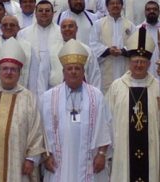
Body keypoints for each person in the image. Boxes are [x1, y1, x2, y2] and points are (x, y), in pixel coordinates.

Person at [0, 37, 46, 181]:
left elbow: (36, 131)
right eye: (5, 69)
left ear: (20, 73)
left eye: (13, 69)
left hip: (18, 165)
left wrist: (31, 159)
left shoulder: (28, 98)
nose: (9, 73)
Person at [40, 39, 112, 181]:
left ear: (83, 71)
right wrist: (45, 156)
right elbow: (40, 130)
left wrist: (102, 154)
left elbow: (106, 125)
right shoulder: (48, 98)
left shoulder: (96, 96)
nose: (73, 72)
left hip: (90, 161)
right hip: (58, 163)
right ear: (63, 71)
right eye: (70, 68)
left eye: (77, 68)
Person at [106, 27, 160, 182]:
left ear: (149, 64)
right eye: (136, 61)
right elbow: (107, 120)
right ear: (129, 63)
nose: (139, 65)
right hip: (124, 148)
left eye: (143, 62)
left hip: (152, 148)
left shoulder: (159, 87)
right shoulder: (117, 86)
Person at [18, 0, 63, 98]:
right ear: (35, 13)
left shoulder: (62, 33)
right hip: (31, 79)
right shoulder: (23, 33)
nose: (44, 13)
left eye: (47, 10)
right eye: (41, 10)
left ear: (53, 13)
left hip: (54, 81)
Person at [92, 0, 134, 93]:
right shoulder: (98, 24)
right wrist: (108, 50)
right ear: (107, 7)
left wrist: (122, 51)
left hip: (124, 66)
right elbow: (93, 44)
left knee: (124, 95)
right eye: (112, 3)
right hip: (105, 67)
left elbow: (134, 44)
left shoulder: (130, 25)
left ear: (122, 6)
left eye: (118, 3)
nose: (115, 5)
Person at [47, 18, 102, 91]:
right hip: (57, 94)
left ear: (76, 29)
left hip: (84, 93)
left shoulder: (87, 50)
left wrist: (94, 95)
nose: (67, 29)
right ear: (60, 30)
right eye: (64, 27)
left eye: (70, 26)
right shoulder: (51, 50)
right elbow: (43, 76)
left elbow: (95, 75)